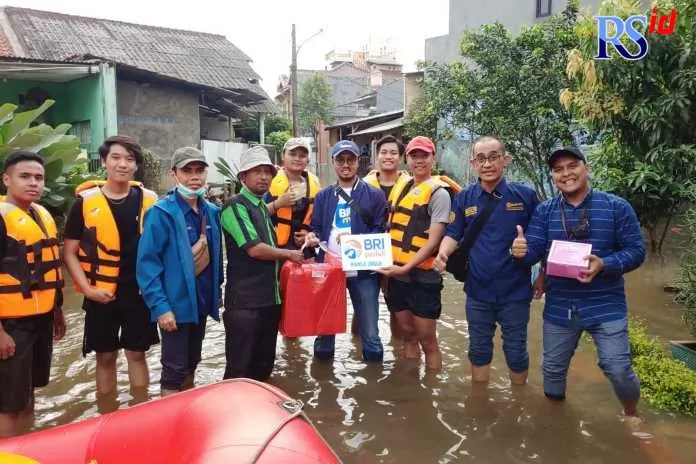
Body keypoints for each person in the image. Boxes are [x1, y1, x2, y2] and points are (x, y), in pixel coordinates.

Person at [511, 146, 645, 417]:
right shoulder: (545, 211)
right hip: (560, 305)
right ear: (553, 176)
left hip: (605, 303)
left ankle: (631, 414)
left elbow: (636, 251)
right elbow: (534, 250)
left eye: (572, 166)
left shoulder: (616, 207)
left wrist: (604, 264)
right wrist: (520, 252)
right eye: (558, 169)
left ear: (586, 167)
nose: (566, 173)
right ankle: (556, 419)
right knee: (552, 369)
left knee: (617, 367)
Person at [62, 135, 159, 408]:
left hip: (139, 293)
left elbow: (161, 248)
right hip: (100, 293)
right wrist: (89, 290)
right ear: (104, 161)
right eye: (116, 158)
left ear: (136, 166)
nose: (123, 164)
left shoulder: (149, 200)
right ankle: (107, 412)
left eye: (129, 159)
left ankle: (139, 409)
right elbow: (69, 252)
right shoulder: (84, 202)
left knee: (137, 355)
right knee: (104, 356)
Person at [434, 136, 540, 385]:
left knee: (515, 351)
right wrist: (443, 252)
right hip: (477, 291)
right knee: (479, 349)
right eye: (481, 159)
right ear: (473, 163)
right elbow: (453, 233)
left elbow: (540, 239)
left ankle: (518, 401)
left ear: (505, 160)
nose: (488, 164)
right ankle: (479, 403)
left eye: (494, 157)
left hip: (515, 292)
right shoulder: (465, 198)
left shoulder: (525, 196)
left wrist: (538, 268)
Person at [137, 147, 223, 397]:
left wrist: (217, 292)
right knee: (173, 370)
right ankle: (170, 422)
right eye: (187, 171)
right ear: (174, 174)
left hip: (201, 304)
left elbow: (216, 257)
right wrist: (161, 308)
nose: (194, 177)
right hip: (175, 306)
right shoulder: (160, 213)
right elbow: (147, 265)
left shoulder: (211, 211)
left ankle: (187, 411)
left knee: (193, 361)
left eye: (199, 170)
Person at [220, 145, 303, 381]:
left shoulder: (260, 207)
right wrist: (289, 254)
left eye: (267, 171)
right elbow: (254, 249)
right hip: (245, 304)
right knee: (239, 369)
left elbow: (264, 211)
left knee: (264, 365)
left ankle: (259, 414)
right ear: (243, 177)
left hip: (269, 300)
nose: (264, 176)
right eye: (256, 171)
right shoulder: (234, 205)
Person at [0, 151, 66, 437]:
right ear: (6, 179)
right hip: (10, 325)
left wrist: (57, 310)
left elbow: (45, 272)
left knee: (28, 394)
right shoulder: (3, 219)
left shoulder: (40, 215)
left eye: (39, 177)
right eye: (24, 176)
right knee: (9, 403)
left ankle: (27, 447)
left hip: (40, 318)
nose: (33, 183)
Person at [305, 140, 389, 362]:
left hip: (363, 272)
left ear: (357, 162)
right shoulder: (323, 196)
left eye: (350, 159)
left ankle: (374, 383)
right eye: (340, 160)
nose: (345, 164)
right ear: (333, 162)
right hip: (329, 271)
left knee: (370, 333)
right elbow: (316, 227)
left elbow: (379, 231)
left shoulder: (375, 195)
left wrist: (354, 241)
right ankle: (323, 380)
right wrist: (312, 236)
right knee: (324, 332)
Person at [378, 136, 452, 370]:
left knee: (428, 340)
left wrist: (407, 267)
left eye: (424, 156)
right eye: (414, 156)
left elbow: (433, 241)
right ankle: (409, 386)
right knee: (407, 334)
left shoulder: (439, 193)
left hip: (423, 276)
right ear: (407, 159)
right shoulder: (402, 186)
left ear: (433, 158)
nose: (419, 161)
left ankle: (430, 393)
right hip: (397, 274)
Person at [362, 135, 411, 339]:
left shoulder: (412, 185)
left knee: (396, 308)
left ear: (401, 158)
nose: (388, 156)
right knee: (363, 305)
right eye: (383, 152)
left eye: (393, 153)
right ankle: (358, 346)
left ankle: (397, 349)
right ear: (376, 157)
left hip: (397, 255)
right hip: (367, 253)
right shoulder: (363, 186)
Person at [265, 137, 321, 250]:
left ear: (308, 160)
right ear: (283, 156)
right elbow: (255, 214)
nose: (297, 158)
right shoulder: (268, 181)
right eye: (292, 154)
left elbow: (320, 218)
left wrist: (309, 233)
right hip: (274, 247)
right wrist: (278, 203)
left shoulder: (315, 183)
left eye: (302, 156)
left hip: (305, 246)